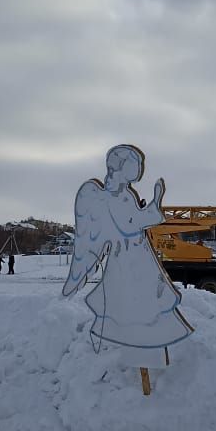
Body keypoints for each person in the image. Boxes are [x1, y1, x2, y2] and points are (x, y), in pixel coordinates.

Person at [62, 144, 192, 352]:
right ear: (120, 166)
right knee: (132, 294)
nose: (139, 168)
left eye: (140, 164)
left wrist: (154, 204)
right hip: (127, 257)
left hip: (137, 253)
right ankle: (134, 333)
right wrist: (155, 204)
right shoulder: (113, 197)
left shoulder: (126, 195)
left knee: (142, 294)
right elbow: (129, 224)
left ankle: (147, 332)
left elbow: (135, 220)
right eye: (135, 163)